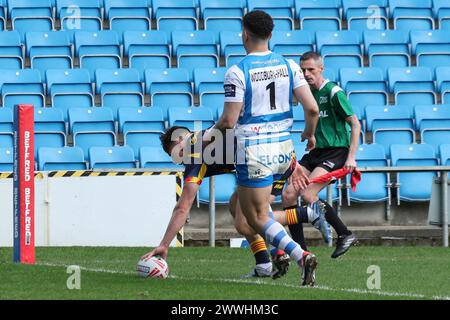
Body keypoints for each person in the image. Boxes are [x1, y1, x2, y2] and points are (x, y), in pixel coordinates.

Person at [204, 11, 320, 286]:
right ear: (270, 34)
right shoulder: (290, 66)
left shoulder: (237, 71)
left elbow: (230, 121)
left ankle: (300, 255)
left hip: (254, 152)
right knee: (241, 207)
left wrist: (208, 136)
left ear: (244, 34)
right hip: (284, 150)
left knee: (254, 218)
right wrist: (309, 133)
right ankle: (275, 256)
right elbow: (312, 108)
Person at [141, 126, 329, 280]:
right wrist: (293, 163)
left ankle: (306, 220)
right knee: (236, 204)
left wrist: (164, 244)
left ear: (179, 142)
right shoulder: (203, 138)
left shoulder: (194, 153)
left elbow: (182, 207)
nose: (178, 160)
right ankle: (266, 261)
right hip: (277, 154)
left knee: (247, 221)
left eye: (175, 154)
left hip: (263, 163)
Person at [282, 51, 361, 258]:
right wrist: (311, 136)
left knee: (308, 193)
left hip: (336, 152)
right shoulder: (307, 91)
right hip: (316, 151)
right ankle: (301, 250)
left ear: (321, 69)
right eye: (303, 70)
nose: (306, 74)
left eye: (311, 70)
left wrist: (351, 157)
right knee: (289, 194)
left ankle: (345, 234)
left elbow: (355, 124)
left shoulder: (334, 92)